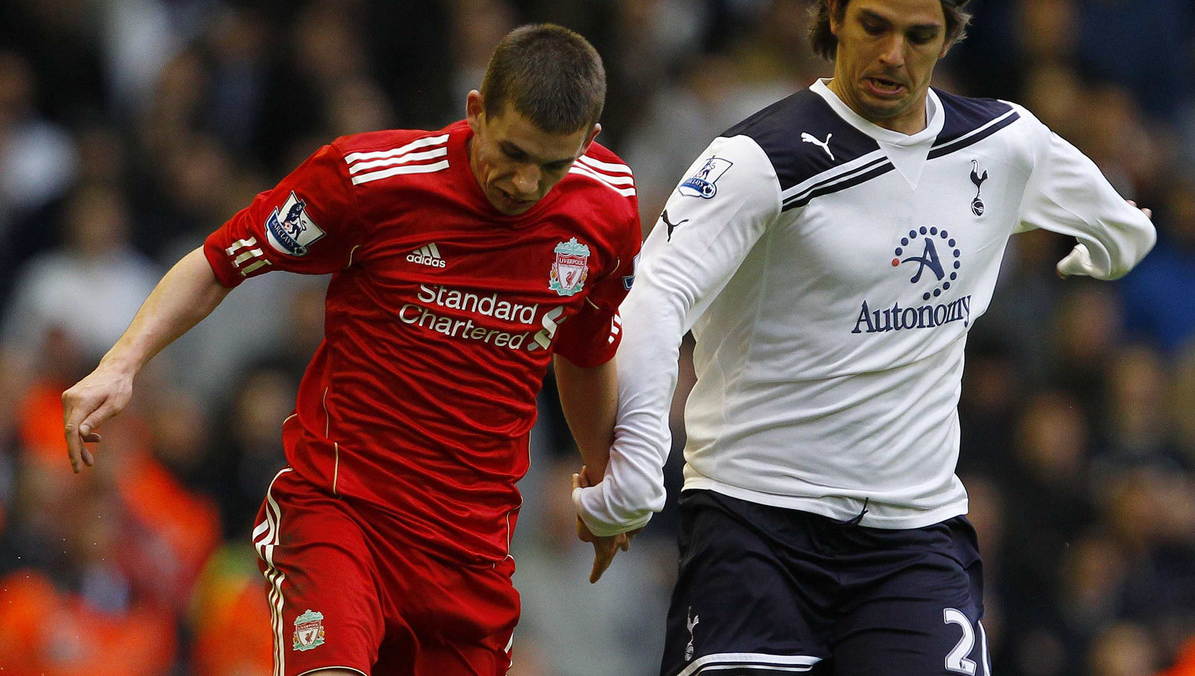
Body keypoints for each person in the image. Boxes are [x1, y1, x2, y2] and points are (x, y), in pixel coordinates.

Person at [571, 0, 1157, 674]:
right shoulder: (759, 159)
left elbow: (1119, 219)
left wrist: (1114, 245)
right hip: (758, 523)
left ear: (948, 37)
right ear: (835, 19)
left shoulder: (1004, 142)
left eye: (919, 35)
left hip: (915, 537)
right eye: (874, 26)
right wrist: (635, 471)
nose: (893, 55)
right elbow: (654, 295)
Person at [62, 23, 640, 676]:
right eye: (511, 153)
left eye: (553, 165)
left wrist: (602, 473)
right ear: (476, 111)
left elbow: (588, 351)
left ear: (588, 144)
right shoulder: (369, 180)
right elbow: (219, 262)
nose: (527, 183)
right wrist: (122, 361)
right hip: (344, 514)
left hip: (469, 553)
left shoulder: (609, 210)